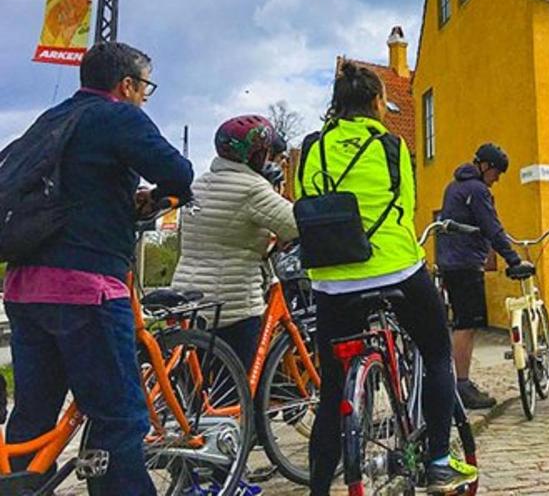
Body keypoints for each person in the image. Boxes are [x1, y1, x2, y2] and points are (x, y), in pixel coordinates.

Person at [3, 42, 193, 495]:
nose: (145, 95)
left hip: (24, 288)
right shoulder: (118, 116)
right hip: (85, 289)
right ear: (126, 84)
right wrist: (156, 195)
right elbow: (178, 171)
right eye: (145, 86)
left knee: (33, 413)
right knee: (120, 416)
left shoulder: (52, 119)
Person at [297, 62, 476, 495]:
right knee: (436, 352)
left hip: (333, 278)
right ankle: (436, 460)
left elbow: (305, 202)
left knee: (333, 387)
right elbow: (407, 209)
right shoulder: (392, 146)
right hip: (395, 267)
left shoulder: (312, 146)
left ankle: (319, 486)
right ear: (378, 103)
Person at [172, 115, 298, 371]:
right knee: (240, 385)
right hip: (233, 304)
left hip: (187, 296)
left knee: (201, 384)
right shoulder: (252, 188)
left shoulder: (199, 185)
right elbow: (296, 224)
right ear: (256, 155)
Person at [436, 143, 532, 409]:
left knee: (462, 323)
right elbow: (491, 227)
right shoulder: (477, 190)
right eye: (497, 172)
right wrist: (513, 259)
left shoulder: (453, 186)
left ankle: (459, 383)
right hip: (465, 264)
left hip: (450, 262)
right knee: (467, 324)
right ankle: (462, 386)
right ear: (485, 167)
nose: (498, 179)